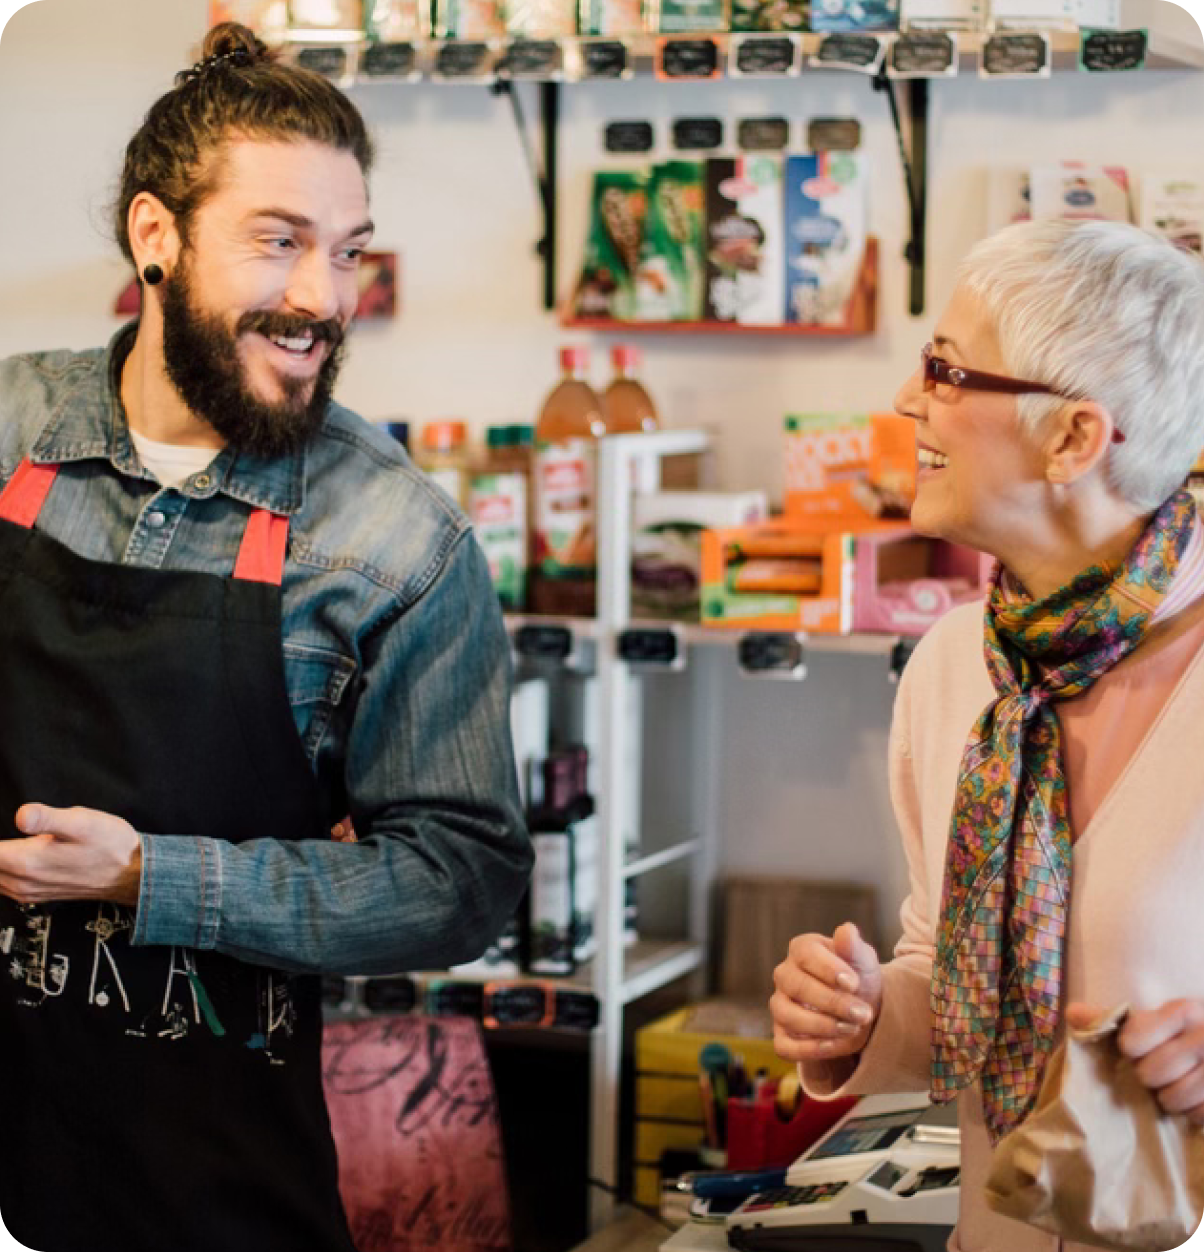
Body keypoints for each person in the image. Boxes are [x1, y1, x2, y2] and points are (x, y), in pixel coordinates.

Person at [0, 21, 531, 1252]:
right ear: (156, 237)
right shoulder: (12, 429)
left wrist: (154, 877)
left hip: (201, 1188)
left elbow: (462, 883)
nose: (321, 299)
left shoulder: (397, 541)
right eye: (277, 242)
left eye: (347, 253)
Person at [770, 217, 1204, 1252]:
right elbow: (949, 978)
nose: (907, 400)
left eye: (947, 370)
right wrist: (864, 1017)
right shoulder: (957, 666)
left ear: (1072, 439)